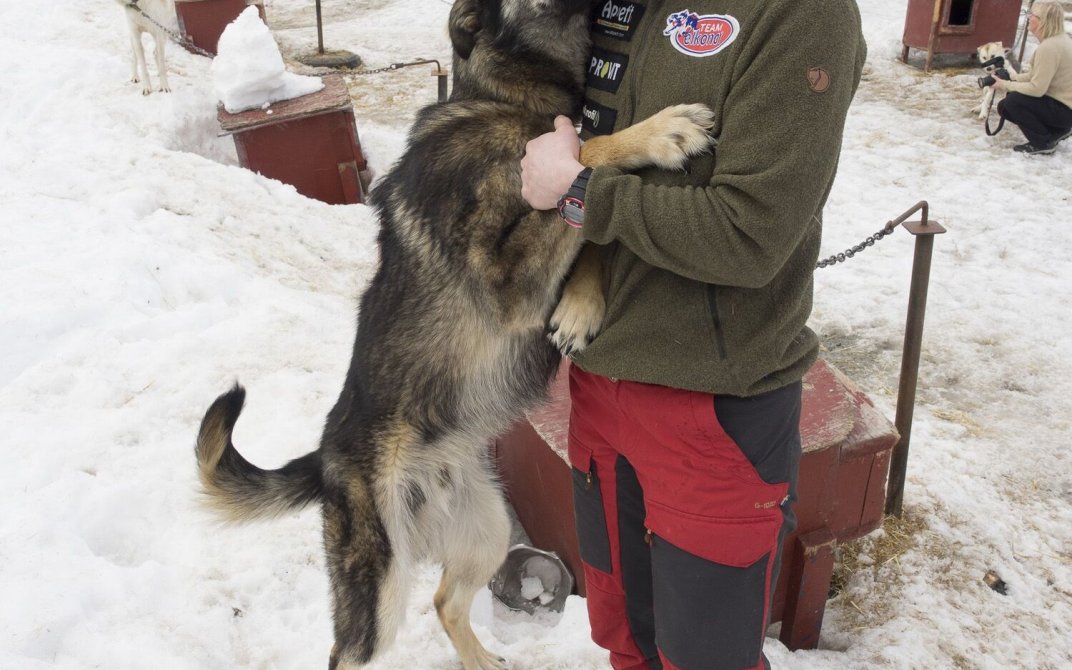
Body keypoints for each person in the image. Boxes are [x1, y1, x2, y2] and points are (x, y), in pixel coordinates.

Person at [519, 1, 865, 668]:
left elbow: (751, 234)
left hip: (714, 410)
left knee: (707, 659)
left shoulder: (803, 14)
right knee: (623, 638)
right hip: (596, 389)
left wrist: (581, 190)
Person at [991, 1, 1072, 155]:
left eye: (1032, 15)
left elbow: (1037, 89)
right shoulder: (1059, 40)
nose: (1028, 18)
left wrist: (1006, 85)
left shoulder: (1049, 47)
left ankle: (1042, 143)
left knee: (1013, 101)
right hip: (1064, 110)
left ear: (1043, 21)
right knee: (1005, 107)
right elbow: (1037, 75)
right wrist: (1012, 79)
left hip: (1063, 110)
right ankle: (1057, 131)